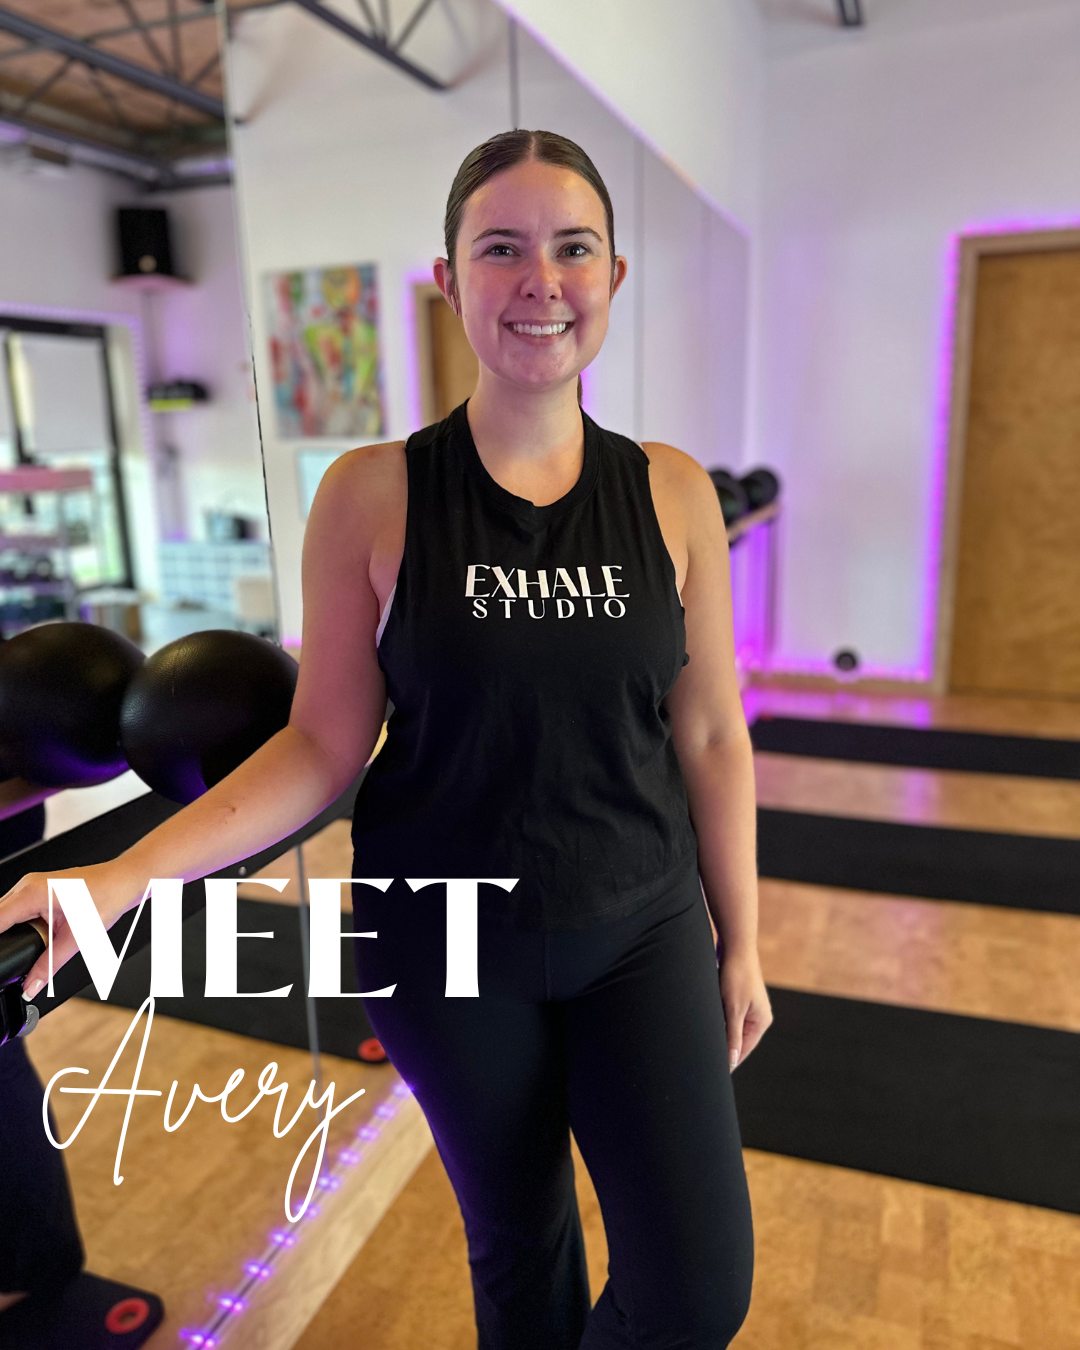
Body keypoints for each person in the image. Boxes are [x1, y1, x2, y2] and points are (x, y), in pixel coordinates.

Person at [0, 129, 772, 1348]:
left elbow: (714, 731)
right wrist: (113, 879)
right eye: (500, 249)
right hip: (446, 940)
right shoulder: (372, 493)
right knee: (521, 1250)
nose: (540, 282)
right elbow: (321, 745)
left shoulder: (671, 493)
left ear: (613, 277)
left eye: (573, 250)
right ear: (449, 278)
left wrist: (744, 941)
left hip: (644, 929)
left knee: (694, 1292)